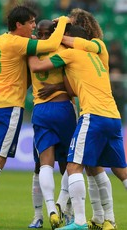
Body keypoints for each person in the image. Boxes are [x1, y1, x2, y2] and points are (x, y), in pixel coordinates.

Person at [0, 5, 70, 227]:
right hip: (8, 106)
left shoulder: (0, 39)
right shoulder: (18, 42)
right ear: (19, 25)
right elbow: (50, 44)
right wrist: (64, 22)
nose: (33, 27)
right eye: (30, 23)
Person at [28, 24, 127, 230]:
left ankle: (79, 222)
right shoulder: (99, 52)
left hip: (93, 116)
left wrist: (42, 43)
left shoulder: (71, 54)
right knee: (118, 171)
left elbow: (38, 66)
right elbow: (73, 87)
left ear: (69, 38)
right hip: (114, 117)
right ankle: (107, 220)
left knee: (73, 167)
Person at [28, 19, 76, 229]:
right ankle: (68, 213)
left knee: (43, 164)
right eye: (40, 33)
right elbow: (73, 86)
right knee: (69, 165)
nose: (43, 37)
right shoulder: (64, 50)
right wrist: (58, 86)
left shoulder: (31, 50)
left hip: (42, 111)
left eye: (46, 33)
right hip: (63, 109)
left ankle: (45, 213)